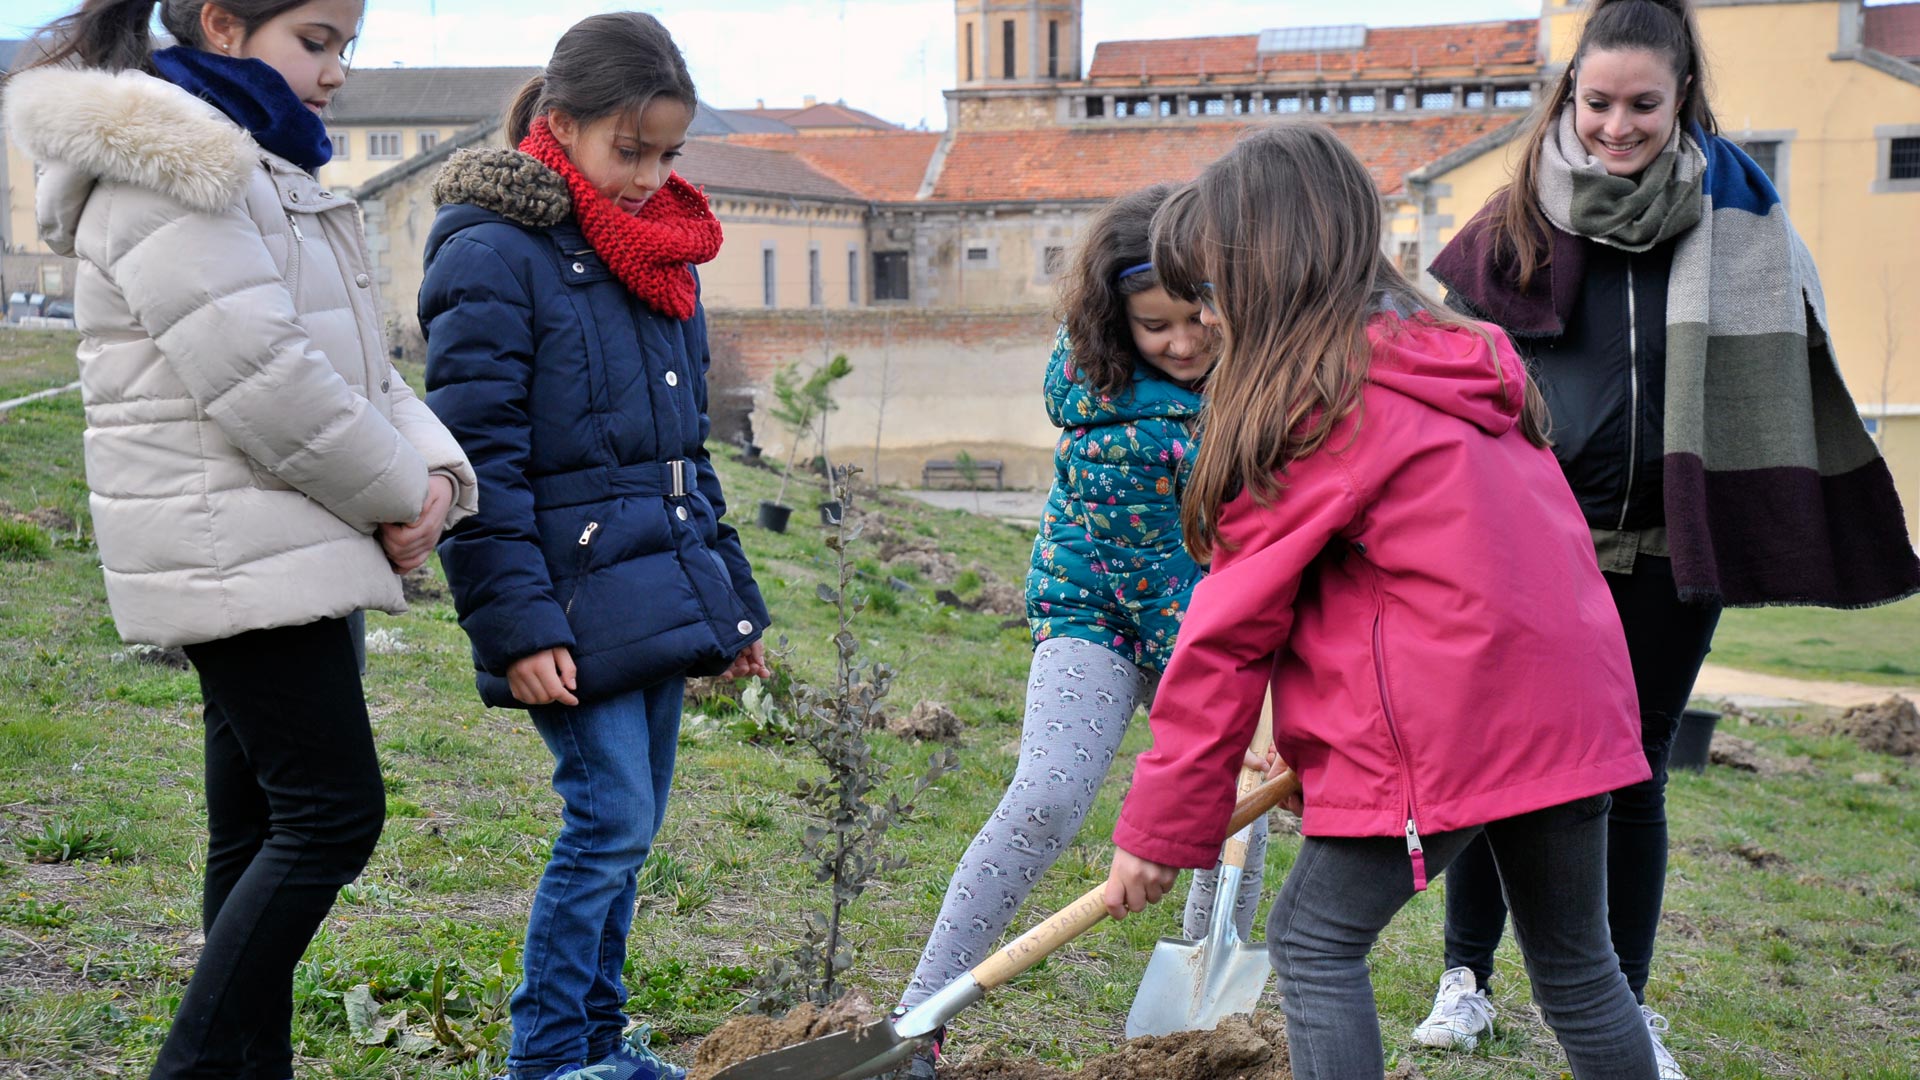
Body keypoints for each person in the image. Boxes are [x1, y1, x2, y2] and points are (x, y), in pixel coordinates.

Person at [1102, 123, 1666, 1080]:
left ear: (1267, 272)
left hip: (1464, 716)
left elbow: (1228, 639)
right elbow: (1425, 579)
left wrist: (1158, 830)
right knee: (1578, 969)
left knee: (1314, 939)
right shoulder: (1462, 364)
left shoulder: (1319, 410)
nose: (1207, 320)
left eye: (1214, 291)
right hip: (1570, 707)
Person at [1419, 2, 1920, 1074]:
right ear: (1570, 95)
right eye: (1596, 102)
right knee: (1500, 762)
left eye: (1642, 104)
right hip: (1531, 552)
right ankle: (1466, 978)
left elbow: (1794, 359)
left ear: (1682, 96)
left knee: (1632, 770)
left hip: (1669, 545)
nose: (1616, 126)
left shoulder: (1740, 219)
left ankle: (1623, 1005)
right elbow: (1451, 375)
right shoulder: (1516, 221)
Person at [7, 2, 479, 1077]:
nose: (338, 70)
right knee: (332, 816)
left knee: (263, 827)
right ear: (223, 23)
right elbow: (266, 379)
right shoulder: (173, 168)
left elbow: (361, 364)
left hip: (289, 535)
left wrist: (437, 477)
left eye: (347, 44)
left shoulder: (264, 167)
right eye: (316, 40)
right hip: (236, 541)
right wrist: (400, 489)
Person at [419, 13, 770, 1080]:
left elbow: (684, 454)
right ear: (561, 123)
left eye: (668, 153)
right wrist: (517, 628)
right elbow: (476, 459)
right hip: (564, 602)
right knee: (608, 821)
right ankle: (546, 1059)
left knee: (633, 827)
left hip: (656, 585)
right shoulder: (490, 251)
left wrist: (732, 604)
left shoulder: (660, 258)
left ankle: (600, 1048)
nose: (651, 177)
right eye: (631, 151)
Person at [887, 184, 1265, 1079]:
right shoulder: (1104, 405)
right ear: (1113, 320)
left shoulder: (1263, 386)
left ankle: (1200, 1029)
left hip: (1216, 624)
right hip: (1094, 612)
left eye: (1197, 318)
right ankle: (919, 1017)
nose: (1183, 343)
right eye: (1154, 325)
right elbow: (1150, 570)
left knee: (1232, 817)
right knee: (1047, 797)